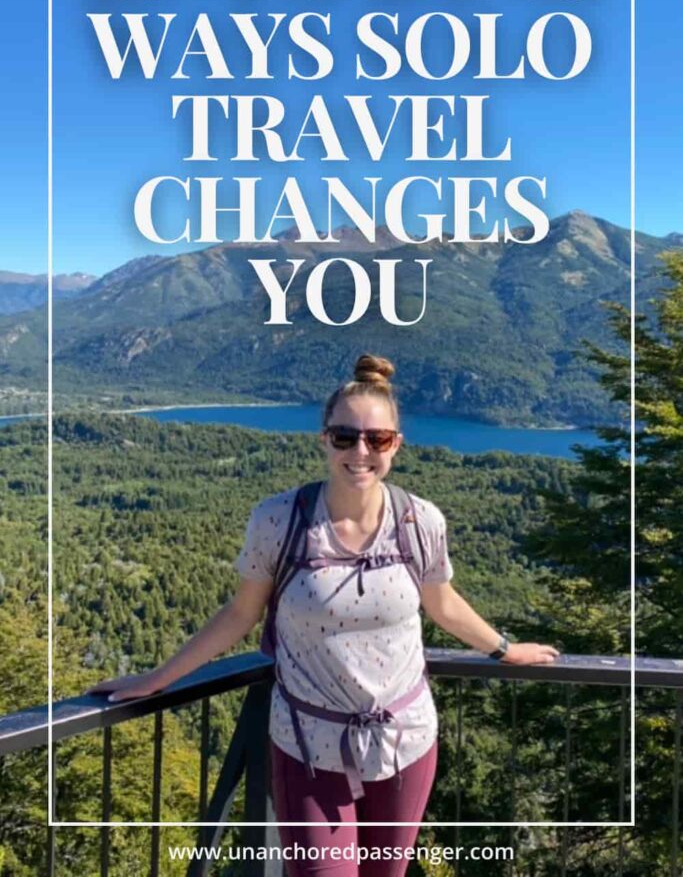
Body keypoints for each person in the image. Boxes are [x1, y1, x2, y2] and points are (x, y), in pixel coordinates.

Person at [90, 353, 558, 875]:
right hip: (308, 744)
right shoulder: (279, 520)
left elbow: (443, 604)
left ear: (396, 446)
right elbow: (239, 615)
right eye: (345, 437)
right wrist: (159, 679)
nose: (361, 451)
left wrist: (504, 649)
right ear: (323, 440)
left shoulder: (419, 521)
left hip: (405, 740)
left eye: (377, 439)